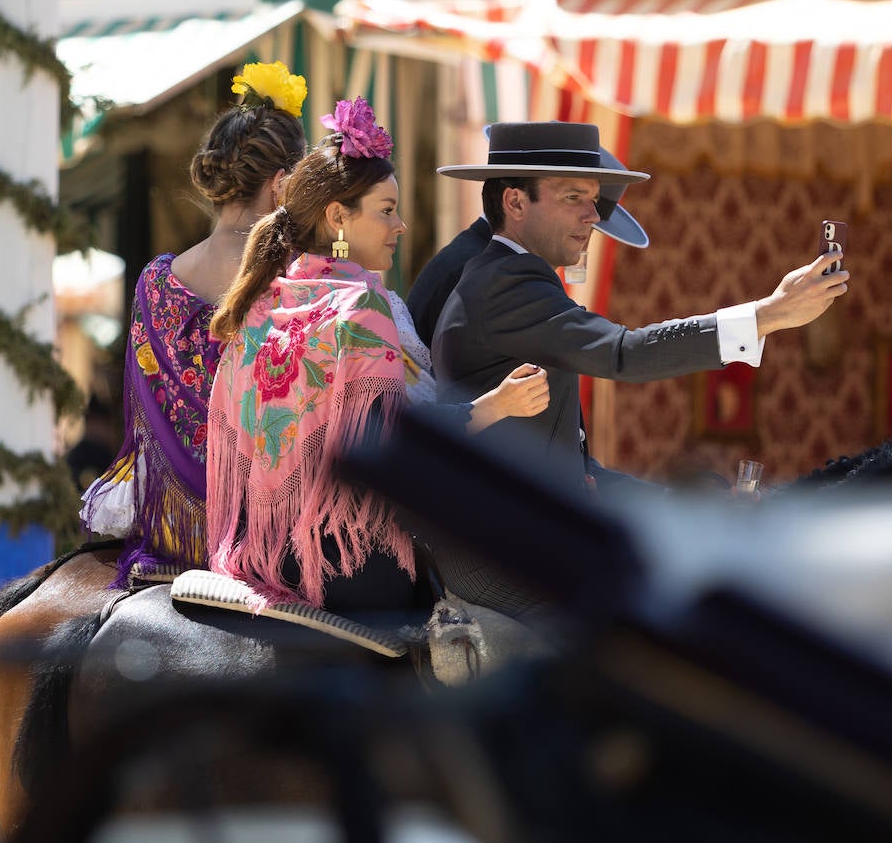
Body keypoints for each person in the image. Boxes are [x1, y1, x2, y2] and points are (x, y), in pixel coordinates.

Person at [206, 97, 548, 614]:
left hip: (256, 551)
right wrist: (498, 406)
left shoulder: (263, 301)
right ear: (338, 217)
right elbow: (393, 448)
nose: (400, 225)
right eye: (386, 210)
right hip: (346, 564)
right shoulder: (361, 306)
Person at [432, 121, 851, 502]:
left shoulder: (509, 278)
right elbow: (624, 352)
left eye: (594, 200)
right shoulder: (506, 281)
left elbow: (580, 472)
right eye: (573, 197)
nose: (593, 216)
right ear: (515, 202)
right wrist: (767, 315)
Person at [81, 61, 309, 585]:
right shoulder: (301, 281)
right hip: (273, 536)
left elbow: (144, 421)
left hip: (174, 532)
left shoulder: (154, 282)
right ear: (282, 184)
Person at [406, 140, 649, 347]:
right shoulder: (490, 276)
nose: (590, 221)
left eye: (594, 208)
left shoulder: (482, 260)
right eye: (572, 198)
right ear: (515, 202)